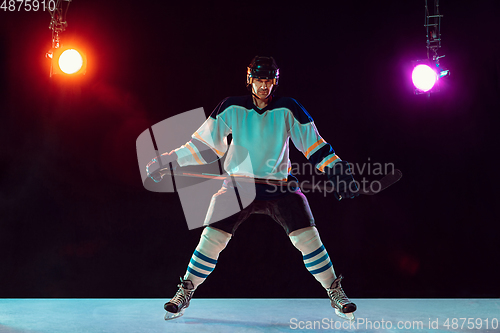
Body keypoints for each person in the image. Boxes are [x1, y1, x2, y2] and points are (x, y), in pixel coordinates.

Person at [146, 56, 359, 321]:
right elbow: (203, 147)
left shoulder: (289, 108)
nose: (263, 86)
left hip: (279, 186)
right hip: (238, 185)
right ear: (250, 80)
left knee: (308, 238)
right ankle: (184, 292)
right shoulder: (231, 107)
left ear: (275, 82)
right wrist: (168, 160)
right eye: (259, 80)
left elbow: (314, 146)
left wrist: (336, 169)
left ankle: (335, 292)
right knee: (212, 240)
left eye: (268, 80)